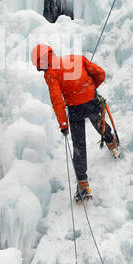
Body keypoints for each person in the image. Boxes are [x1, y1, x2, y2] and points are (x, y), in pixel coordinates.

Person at [33, 44, 119, 202]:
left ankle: (83, 185)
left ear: (42, 63)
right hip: (91, 99)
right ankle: (111, 142)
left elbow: (57, 100)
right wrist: (91, 89)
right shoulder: (75, 59)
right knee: (99, 124)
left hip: (75, 108)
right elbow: (100, 73)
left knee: (79, 145)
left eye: (39, 67)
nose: (41, 70)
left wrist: (63, 124)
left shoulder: (51, 74)